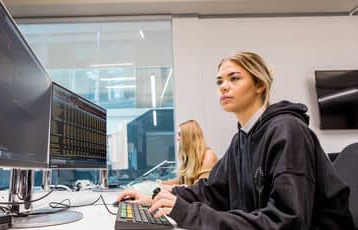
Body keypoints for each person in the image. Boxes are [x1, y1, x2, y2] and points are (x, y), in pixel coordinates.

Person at [117, 51, 354, 229]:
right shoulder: (242, 139)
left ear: (260, 85)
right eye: (219, 81)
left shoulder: (287, 131)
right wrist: (155, 199)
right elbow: (211, 191)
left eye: (234, 78)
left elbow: (287, 221)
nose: (224, 87)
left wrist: (188, 213)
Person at [157, 120, 218, 190]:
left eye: (180, 134)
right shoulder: (190, 157)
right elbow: (181, 181)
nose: (177, 138)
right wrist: (160, 183)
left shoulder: (208, 155)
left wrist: (170, 188)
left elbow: (200, 189)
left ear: (188, 136)